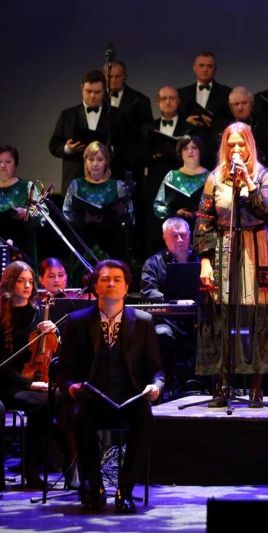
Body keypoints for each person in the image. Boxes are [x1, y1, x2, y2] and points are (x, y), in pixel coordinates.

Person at [59, 259, 163, 513]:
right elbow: (64, 370)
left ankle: (125, 490)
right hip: (92, 398)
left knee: (144, 417)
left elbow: (157, 370)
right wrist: (71, 387)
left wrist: (155, 387)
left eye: (117, 279)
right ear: (95, 286)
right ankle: (94, 487)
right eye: (105, 279)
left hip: (129, 399)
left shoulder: (143, 321)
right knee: (80, 416)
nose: (111, 284)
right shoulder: (77, 321)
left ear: (126, 288)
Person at [194, 122, 268, 403]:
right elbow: (204, 221)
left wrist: (249, 182)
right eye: (230, 144)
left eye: (240, 143)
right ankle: (222, 385)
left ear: (249, 145)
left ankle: (257, 385)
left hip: (256, 248)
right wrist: (205, 261)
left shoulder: (263, 175)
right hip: (224, 246)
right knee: (221, 316)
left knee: (259, 316)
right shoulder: (214, 177)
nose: (236, 149)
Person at [0, 261, 62, 488]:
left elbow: (53, 352)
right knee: (41, 402)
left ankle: (38, 465)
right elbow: (2, 367)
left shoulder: (38, 314)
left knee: (54, 398)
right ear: (10, 284)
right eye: (20, 281)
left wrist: (56, 332)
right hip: (6, 384)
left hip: (30, 381)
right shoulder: (1, 316)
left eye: (30, 281)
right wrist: (29, 385)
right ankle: (29, 469)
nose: (27, 286)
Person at [140, 218, 199, 391]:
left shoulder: (201, 260)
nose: (180, 240)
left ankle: (208, 384)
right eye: (174, 236)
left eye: (183, 235)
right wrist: (175, 302)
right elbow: (149, 293)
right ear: (165, 238)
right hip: (167, 319)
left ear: (190, 236)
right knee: (162, 334)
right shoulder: (153, 263)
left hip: (199, 318)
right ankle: (167, 383)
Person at [49, 70, 129, 193]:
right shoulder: (68, 115)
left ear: (104, 90)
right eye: (88, 91)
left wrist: (109, 149)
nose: (92, 96)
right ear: (82, 88)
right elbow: (54, 146)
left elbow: (128, 147)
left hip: (108, 183)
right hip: (76, 181)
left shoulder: (117, 115)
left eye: (97, 92)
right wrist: (68, 148)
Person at [62, 141, 134, 261]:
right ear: (85, 161)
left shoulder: (118, 185)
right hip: (84, 240)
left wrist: (114, 214)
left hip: (111, 240)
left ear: (106, 161)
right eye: (91, 159)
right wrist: (84, 218)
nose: (95, 164)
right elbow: (67, 212)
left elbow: (129, 214)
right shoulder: (76, 184)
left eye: (100, 159)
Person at [143, 86, 192, 256]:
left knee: (180, 225)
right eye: (164, 98)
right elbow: (138, 156)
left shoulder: (189, 127)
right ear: (158, 102)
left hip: (181, 182)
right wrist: (154, 155)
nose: (168, 102)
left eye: (172, 98)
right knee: (154, 227)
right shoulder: (148, 128)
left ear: (178, 101)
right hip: (155, 181)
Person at [177, 51, 232, 169]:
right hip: (188, 150)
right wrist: (187, 122)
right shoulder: (182, 94)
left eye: (209, 66)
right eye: (201, 65)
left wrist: (213, 122)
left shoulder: (226, 93)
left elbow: (230, 121)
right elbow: (177, 121)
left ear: (215, 69)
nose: (205, 69)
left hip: (214, 150)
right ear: (194, 68)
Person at [0, 144, 44, 265]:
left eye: (8, 162)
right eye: (0, 162)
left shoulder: (27, 187)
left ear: (16, 164)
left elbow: (43, 214)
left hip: (22, 248)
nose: (3, 166)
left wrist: (26, 213)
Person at [153, 135, 210, 224]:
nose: (190, 151)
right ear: (180, 153)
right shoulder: (172, 176)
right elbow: (157, 207)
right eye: (185, 148)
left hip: (202, 228)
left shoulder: (210, 177)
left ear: (200, 151)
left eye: (194, 147)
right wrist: (175, 212)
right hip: (176, 227)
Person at [212, 86, 268, 162]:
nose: (240, 108)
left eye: (244, 103)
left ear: (252, 103)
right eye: (236, 104)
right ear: (230, 107)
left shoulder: (263, 124)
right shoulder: (222, 127)